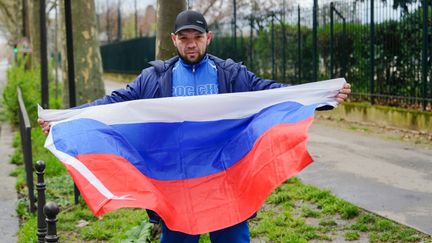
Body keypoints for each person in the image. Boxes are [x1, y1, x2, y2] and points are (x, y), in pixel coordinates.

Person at [39, 10, 351, 243]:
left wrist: (322, 97)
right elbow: (114, 104)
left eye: (197, 37)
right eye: (184, 38)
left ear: (208, 38)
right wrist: (63, 118)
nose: (191, 44)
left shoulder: (230, 74)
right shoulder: (156, 79)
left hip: (225, 180)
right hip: (178, 182)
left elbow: (272, 93)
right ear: (174, 39)